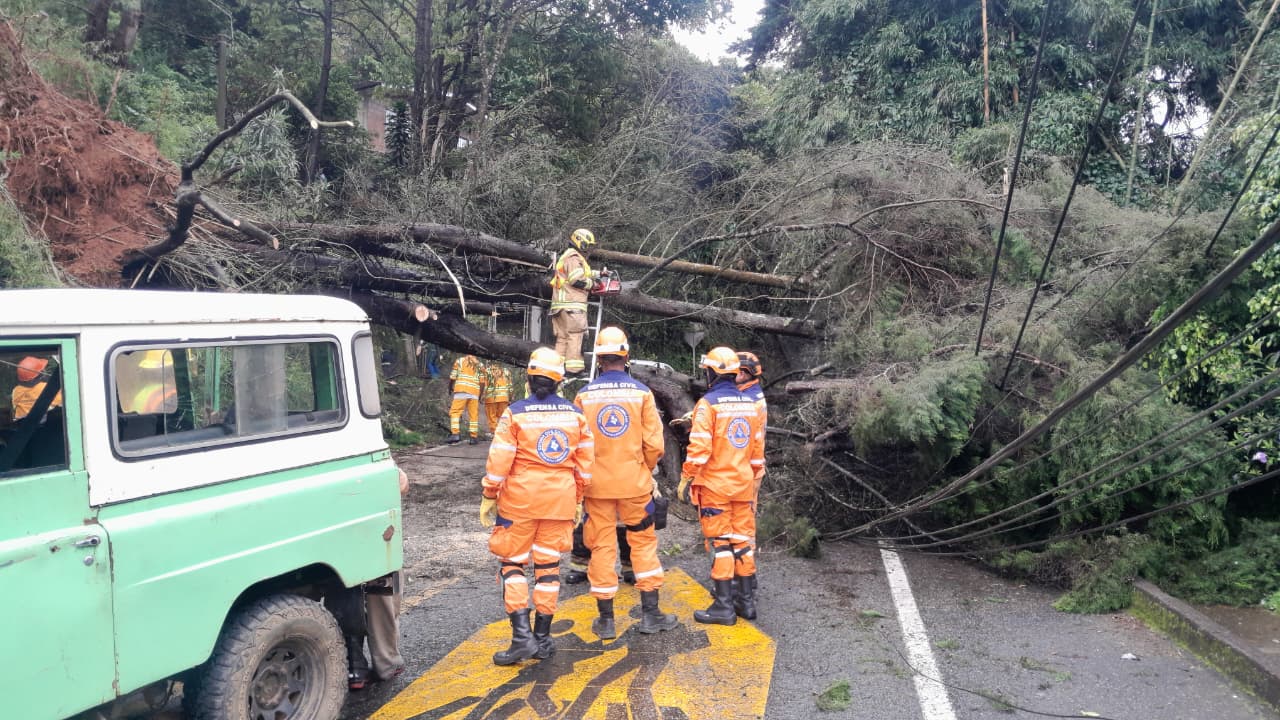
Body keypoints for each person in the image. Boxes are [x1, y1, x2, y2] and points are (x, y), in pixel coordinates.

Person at [480, 347, 593, 665]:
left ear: (529, 377)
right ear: (560, 381)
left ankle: (521, 639)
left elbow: (500, 459)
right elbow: (585, 466)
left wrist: (490, 494)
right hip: (560, 501)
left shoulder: (515, 413)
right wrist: (578, 498)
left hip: (519, 503)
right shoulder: (576, 416)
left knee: (513, 564)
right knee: (548, 568)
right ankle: (542, 640)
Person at [573, 327, 678, 638]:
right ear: (626, 357)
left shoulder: (584, 397)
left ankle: (605, 621)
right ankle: (651, 614)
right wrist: (642, 469)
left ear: (600, 359)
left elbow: (576, 444)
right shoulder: (642, 394)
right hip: (634, 485)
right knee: (643, 544)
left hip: (597, 487)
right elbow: (655, 445)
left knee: (602, 547)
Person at [678, 347, 765, 625]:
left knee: (722, 543)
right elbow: (756, 451)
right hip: (742, 484)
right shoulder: (749, 405)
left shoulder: (708, 404)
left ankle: (724, 607)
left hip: (716, 486)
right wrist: (751, 481)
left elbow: (700, 450)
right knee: (742, 541)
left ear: (712, 373)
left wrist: (687, 477)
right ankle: (746, 602)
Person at [329, 468, 410, 690]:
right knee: (381, 584)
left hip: (326, 520)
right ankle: (387, 662)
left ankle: (354, 666)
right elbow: (400, 483)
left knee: (336, 582)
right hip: (368, 515)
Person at [734, 351, 766, 620]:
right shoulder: (753, 396)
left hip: (744, 470)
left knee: (741, 527)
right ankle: (745, 577)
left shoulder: (749, 400)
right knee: (745, 525)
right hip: (750, 468)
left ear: (744, 373)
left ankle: (743, 579)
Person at [549, 228, 600, 377]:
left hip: (560, 306)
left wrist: (599, 274)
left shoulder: (570, 257)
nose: (588, 249)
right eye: (587, 245)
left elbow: (585, 273)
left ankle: (556, 369)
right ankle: (574, 370)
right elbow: (577, 280)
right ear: (580, 242)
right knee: (575, 335)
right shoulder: (573, 257)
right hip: (572, 306)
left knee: (563, 339)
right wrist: (593, 285)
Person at [11, 356, 62, 420]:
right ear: (40, 374)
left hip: (22, 425)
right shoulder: (46, 387)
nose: (44, 370)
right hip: (45, 425)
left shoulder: (16, 391)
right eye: (42, 370)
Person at [448, 353, 483, 445]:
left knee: (455, 412)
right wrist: (480, 395)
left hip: (461, 390)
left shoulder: (459, 361)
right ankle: (473, 437)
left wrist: (450, 388)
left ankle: (455, 434)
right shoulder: (480, 364)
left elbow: (452, 377)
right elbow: (482, 382)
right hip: (474, 392)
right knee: (473, 415)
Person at [482, 361, 512, 437]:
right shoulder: (506, 371)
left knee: (492, 416)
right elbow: (510, 387)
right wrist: (510, 398)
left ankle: (494, 433)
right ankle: (503, 432)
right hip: (504, 397)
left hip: (491, 398)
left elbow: (485, 386)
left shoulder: (488, 371)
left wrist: (482, 396)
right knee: (503, 416)